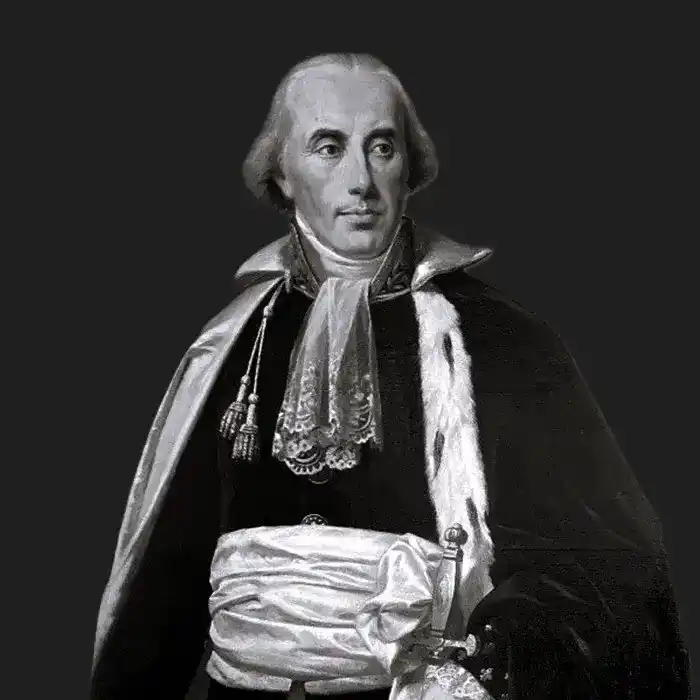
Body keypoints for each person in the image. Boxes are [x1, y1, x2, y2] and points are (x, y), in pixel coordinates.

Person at [90, 53, 689, 700]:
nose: (362, 181)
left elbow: (610, 573)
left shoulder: (503, 340)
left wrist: (496, 645)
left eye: (382, 148)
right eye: (329, 148)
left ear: (410, 168)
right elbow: (162, 595)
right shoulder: (231, 344)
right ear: (281, 173)